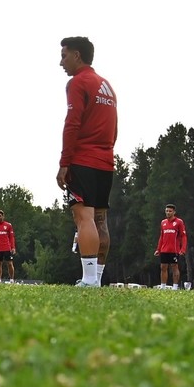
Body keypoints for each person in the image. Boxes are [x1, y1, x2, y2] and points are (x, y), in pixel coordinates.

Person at [56, 36, 118, 287]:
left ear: (77, 55)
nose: (61, 62)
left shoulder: (77, 82)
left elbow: (72, 123)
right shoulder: (106, 85)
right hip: (106, 161)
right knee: (100, 219)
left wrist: (64, 162)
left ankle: (90, 279)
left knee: (84, 218)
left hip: (83, 160)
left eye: (64, 56)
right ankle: (97, 279)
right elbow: (114, 128)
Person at [155, 204, 188, 289]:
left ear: (174, 212)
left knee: (174, 267)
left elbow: (183, 236)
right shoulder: (163, 222)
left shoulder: (179, 222)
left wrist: (183, 249)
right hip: (164, 249)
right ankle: (163, 286)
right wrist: (158, 249)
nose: (168, 213)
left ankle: (175, 287)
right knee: (163, 267)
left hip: (174, 249)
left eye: (170, 211)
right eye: (167, 211)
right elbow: (162, 236)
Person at [0, 209, 17, 283]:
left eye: (0, 216)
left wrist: (13, 247)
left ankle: (11, 279)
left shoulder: (8, 225)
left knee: (10, 264)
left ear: (3, 216)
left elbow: (11, 237)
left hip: (7, 248)